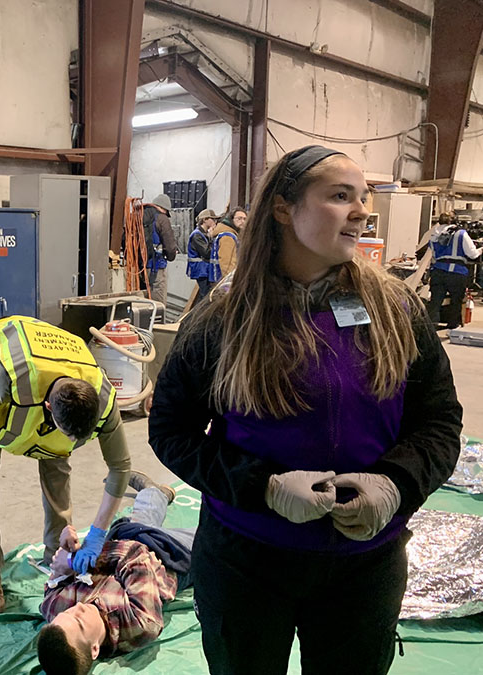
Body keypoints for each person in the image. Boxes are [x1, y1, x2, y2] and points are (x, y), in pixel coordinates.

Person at [149, 145, 462, 675]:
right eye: (340, 196)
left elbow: (438, 421)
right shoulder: (225, 317)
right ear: (283, 209)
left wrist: (395, 485)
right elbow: (172, 430)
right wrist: (263, 487)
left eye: (362, 197)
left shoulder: (396, 308)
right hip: (247, 558)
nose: (361, 210)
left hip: (365, 563)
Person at [0, 315, 131, 615]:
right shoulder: (4, 382)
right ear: (48, 408)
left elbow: (120, 467)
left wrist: (98, 534)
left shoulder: (102, 395)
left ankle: (59, 560)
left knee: (56, 462)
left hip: (50, 373)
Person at [36, 472, 193, 674]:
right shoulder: (141, 624)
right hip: (170, 559)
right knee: (223, 534)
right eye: (80, 622)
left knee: (140, 521)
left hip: (127, 540)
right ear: (94, 649)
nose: (78, 608)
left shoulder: (58, 615)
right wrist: (75, 561)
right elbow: (135, 554)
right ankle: (155, 494)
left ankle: (155, 493)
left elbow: (53, 589)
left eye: (67, 613)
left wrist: (62, 562)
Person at [426, 213, 481, 329]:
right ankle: (452, 327)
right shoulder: (461, 234)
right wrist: (481, 249)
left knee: (435, 301)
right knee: (456, 301)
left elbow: (432, 253)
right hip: (457, 273)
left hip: (438, 271)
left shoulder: (434, 234)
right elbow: (472, 254)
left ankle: (430, 327)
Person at [142, 194, 178, 308]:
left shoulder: (139, 215)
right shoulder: (162, 218)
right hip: (156, 266)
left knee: (142, 302)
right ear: (164, 209)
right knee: (158, 304)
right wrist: (171, 256)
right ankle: (157, 325)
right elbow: (170, 246)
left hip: (139, 266)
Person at [187, 209, 216, 304]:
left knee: (205, 295)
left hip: (204, 270)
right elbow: (207, 253)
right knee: (205, 297)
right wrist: (212, 238)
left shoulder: (203, 234)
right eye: (213, 219)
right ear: (205, 220)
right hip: (201, 270)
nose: (215, 222)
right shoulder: (197, 236)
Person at [208, 207, 243, 284]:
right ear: (231, 219)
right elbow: (227, 264)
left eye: (244, 219)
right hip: (223, 281)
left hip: (219, 279)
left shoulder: (230, 234)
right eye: (239, 218)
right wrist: (230, 283)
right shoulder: (228, 236)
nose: (242, 221)